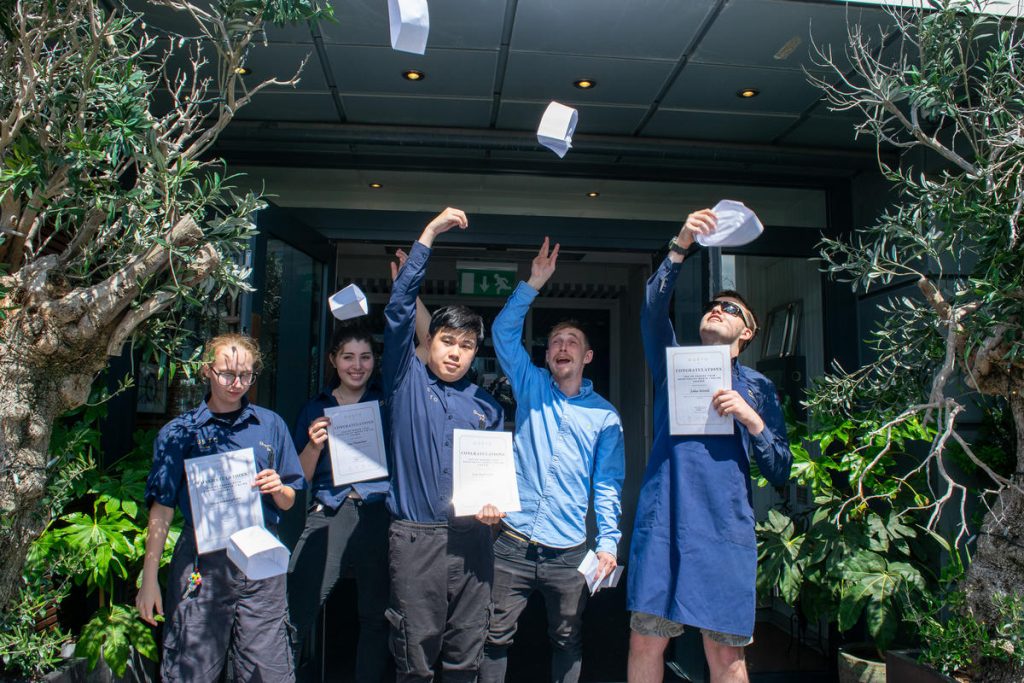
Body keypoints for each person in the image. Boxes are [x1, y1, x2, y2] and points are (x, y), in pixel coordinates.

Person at [626, 209, 793, 683]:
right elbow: (652, 311)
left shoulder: (758, 387)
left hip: (723, 532)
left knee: (726, 657)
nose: (718, 309)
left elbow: (781, 468)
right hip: (664, 525)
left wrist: (751, 419)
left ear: (748, 333)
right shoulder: (672, 362)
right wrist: (680, 245)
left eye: (731, 309)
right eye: (713, 306)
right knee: (645, 641)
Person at [481, 237, 625, 683]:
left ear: (587, 356)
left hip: (568, 551)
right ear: (547, 356)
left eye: (572, 342)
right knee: (494, 635)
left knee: (567, 639)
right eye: (556, 342)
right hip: (512, 541)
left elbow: (607, 484)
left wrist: (608, 541)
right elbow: (503, 334)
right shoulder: (531, 385)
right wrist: (532, 284)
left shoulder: (606, 416)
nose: (562, 347)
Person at [136, 333, 304, 682]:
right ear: (207, 370)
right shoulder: (178, 432)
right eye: (227, 373)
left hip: (260, 565)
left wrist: (278, 488)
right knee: (190, 668)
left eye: (245, 375)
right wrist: (149, 579)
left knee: (268, 671)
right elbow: (162, 510)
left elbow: (289, 499)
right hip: (201, 566)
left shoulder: (270, 425)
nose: (236, 383)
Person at [382, 207, 506, 683]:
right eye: (447, 340)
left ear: (476, 352)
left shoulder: (487, 406)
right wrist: (429, 234)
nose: (455, 352)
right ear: (429, 341)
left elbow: (493, 477)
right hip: (417, 539)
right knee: (415, 657)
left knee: (466, 654)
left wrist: (495, 511)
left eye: (467, 345)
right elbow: (397, 312)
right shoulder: (404, 381)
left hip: (475, 540)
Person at [286, 322, 391, 683]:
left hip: (379, 513)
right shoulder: (316, 407)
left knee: (376, 617)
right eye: (348, 357)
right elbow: (298, 477)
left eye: (365, 357)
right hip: (330, 510)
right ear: (333, 359)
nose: (357, 366)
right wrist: (314, 445)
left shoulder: (385, 401)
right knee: (298, 608)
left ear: (375, 361)